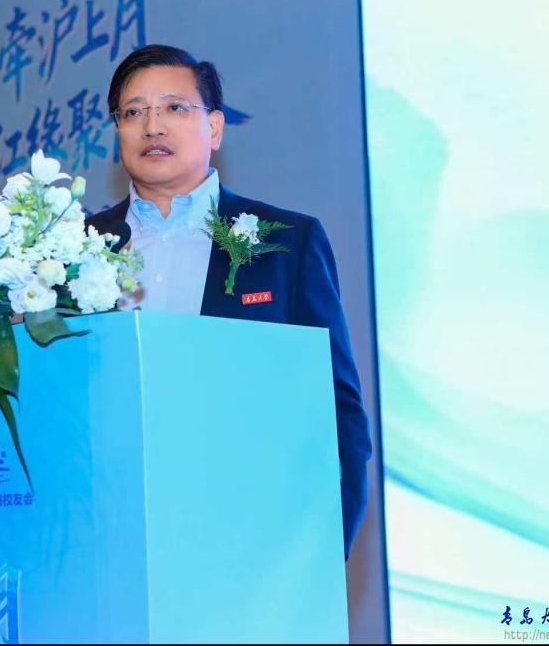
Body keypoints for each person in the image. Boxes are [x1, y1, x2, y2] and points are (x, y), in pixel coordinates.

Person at [86, 44, 372, 558]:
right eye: (133, 112)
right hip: (103, 533)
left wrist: (322, 558)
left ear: (214, 128)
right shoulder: (70, 249)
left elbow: (337, 409)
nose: (152, 126)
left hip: (248, 540)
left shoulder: (288, 242)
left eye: (174, 107)